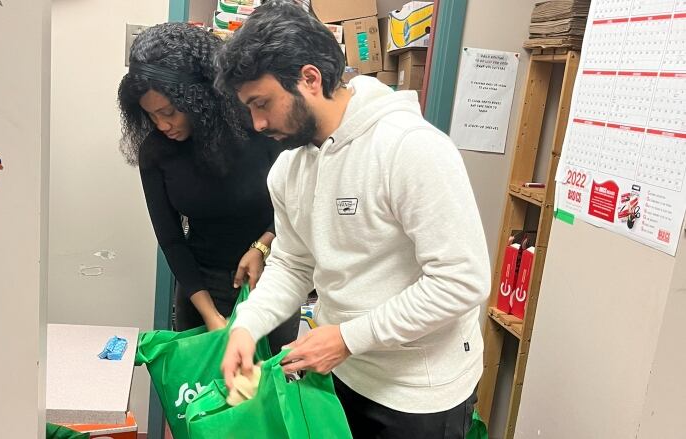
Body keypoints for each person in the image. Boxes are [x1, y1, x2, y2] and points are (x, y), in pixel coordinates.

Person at [214, 2, 491, 438]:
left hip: (419, 394)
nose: (257, 122)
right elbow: (292, 263)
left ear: (310, 78)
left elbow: (462, 281)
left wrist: (347, 338)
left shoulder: (410, 148)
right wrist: (247, 326)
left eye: (262, 103)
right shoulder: (289, 169)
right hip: (340, 376)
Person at [118, 22, 299, 353]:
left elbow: (295, 203)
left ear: (198, 96)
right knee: (204, 397)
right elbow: (171, 240)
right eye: (151, 116)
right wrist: (211, 316)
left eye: (169, 112)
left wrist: (262, 246)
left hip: (273, 279)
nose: (162, 125)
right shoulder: (157, 152)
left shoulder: (257, 128)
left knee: (271, 394)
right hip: (202, 286)